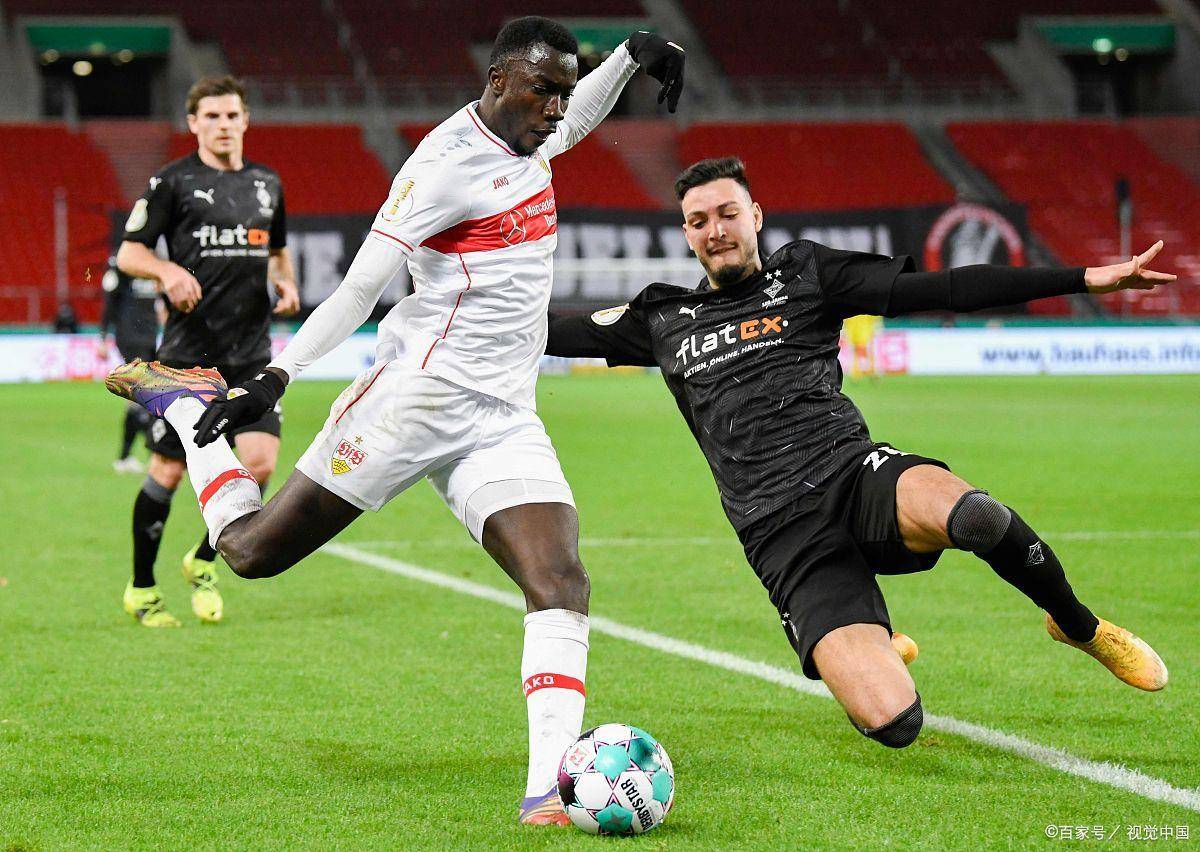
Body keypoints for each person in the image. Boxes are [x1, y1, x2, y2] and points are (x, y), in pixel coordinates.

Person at [105, 18, 685, 825]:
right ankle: (188, 402)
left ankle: (546, 791)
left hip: (504, 416)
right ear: (499, 82)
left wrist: (628, 55)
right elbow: (357, 288)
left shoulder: (532, 132)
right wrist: (276, 376)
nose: (557, 109)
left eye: (563, 91)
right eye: (544, 91)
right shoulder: (443, 169)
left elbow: (578, 117)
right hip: (413, 402)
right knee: (249, 552)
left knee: (560, 581)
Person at [543, 157, 1171, 748]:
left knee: (978, 515)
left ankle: (1080, 627)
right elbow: (539, 330)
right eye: (699, 220)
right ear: (686, 234)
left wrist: (1082, 278)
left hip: (854, 475)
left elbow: (944, 288)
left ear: (755, 215)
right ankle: (869, 640)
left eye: (728, 213)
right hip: (780, 531)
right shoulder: (662, 317)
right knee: (894, 723)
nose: (716, 230)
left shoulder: (806, 273)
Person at [113, 75, 300, 627]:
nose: (223, 125)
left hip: (252, 355)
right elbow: (129, 253)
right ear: (194, 123)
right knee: (168, 472)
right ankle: (141, 587)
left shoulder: (268, 183)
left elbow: (278, 251)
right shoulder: (172, 182)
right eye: (212, 116)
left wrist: (286, 281)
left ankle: (202, 559)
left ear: (245, 121)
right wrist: (167, 270)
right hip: (188, 360)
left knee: (260, 464)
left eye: (232, 115)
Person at [98, 253, 161, 473]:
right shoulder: (122, 264)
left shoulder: (154, 263)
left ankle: (126, 458)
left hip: (150, 337)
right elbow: (109, 301)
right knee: (143, 396)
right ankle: (157, 452)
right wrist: (103, 337)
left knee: (140, 400)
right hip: (130, 337)